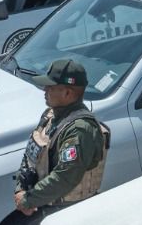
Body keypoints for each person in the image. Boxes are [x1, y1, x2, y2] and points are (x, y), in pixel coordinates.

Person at [13, 58, 109, 215]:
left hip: (70, 212)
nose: (45, 90)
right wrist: (21, 187)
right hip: (47, 204)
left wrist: (28, 200)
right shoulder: (50, 116)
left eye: (50, 87)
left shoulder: (80, 130)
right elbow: (31, 153)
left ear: (67, 93)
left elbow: (65, 177)